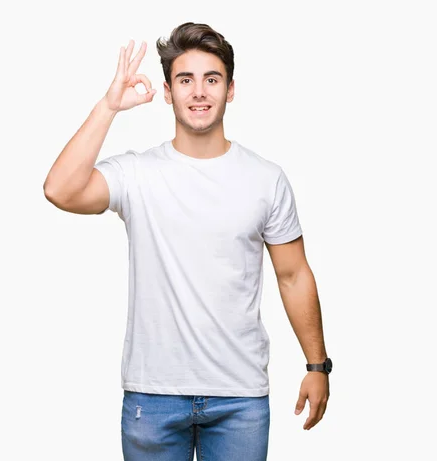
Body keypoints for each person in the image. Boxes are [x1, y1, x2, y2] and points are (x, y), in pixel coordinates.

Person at [43, 22, 331, 461]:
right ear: (167, 91)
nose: (199, 91)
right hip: (153, 395)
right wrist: (109, 106)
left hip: (239, 398)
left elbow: (293, 275)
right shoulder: (136, 174)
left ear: (230, 90)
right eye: (185, 79)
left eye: (211, 79)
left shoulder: (266, 179)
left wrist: (317, 365)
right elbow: (59, 190)